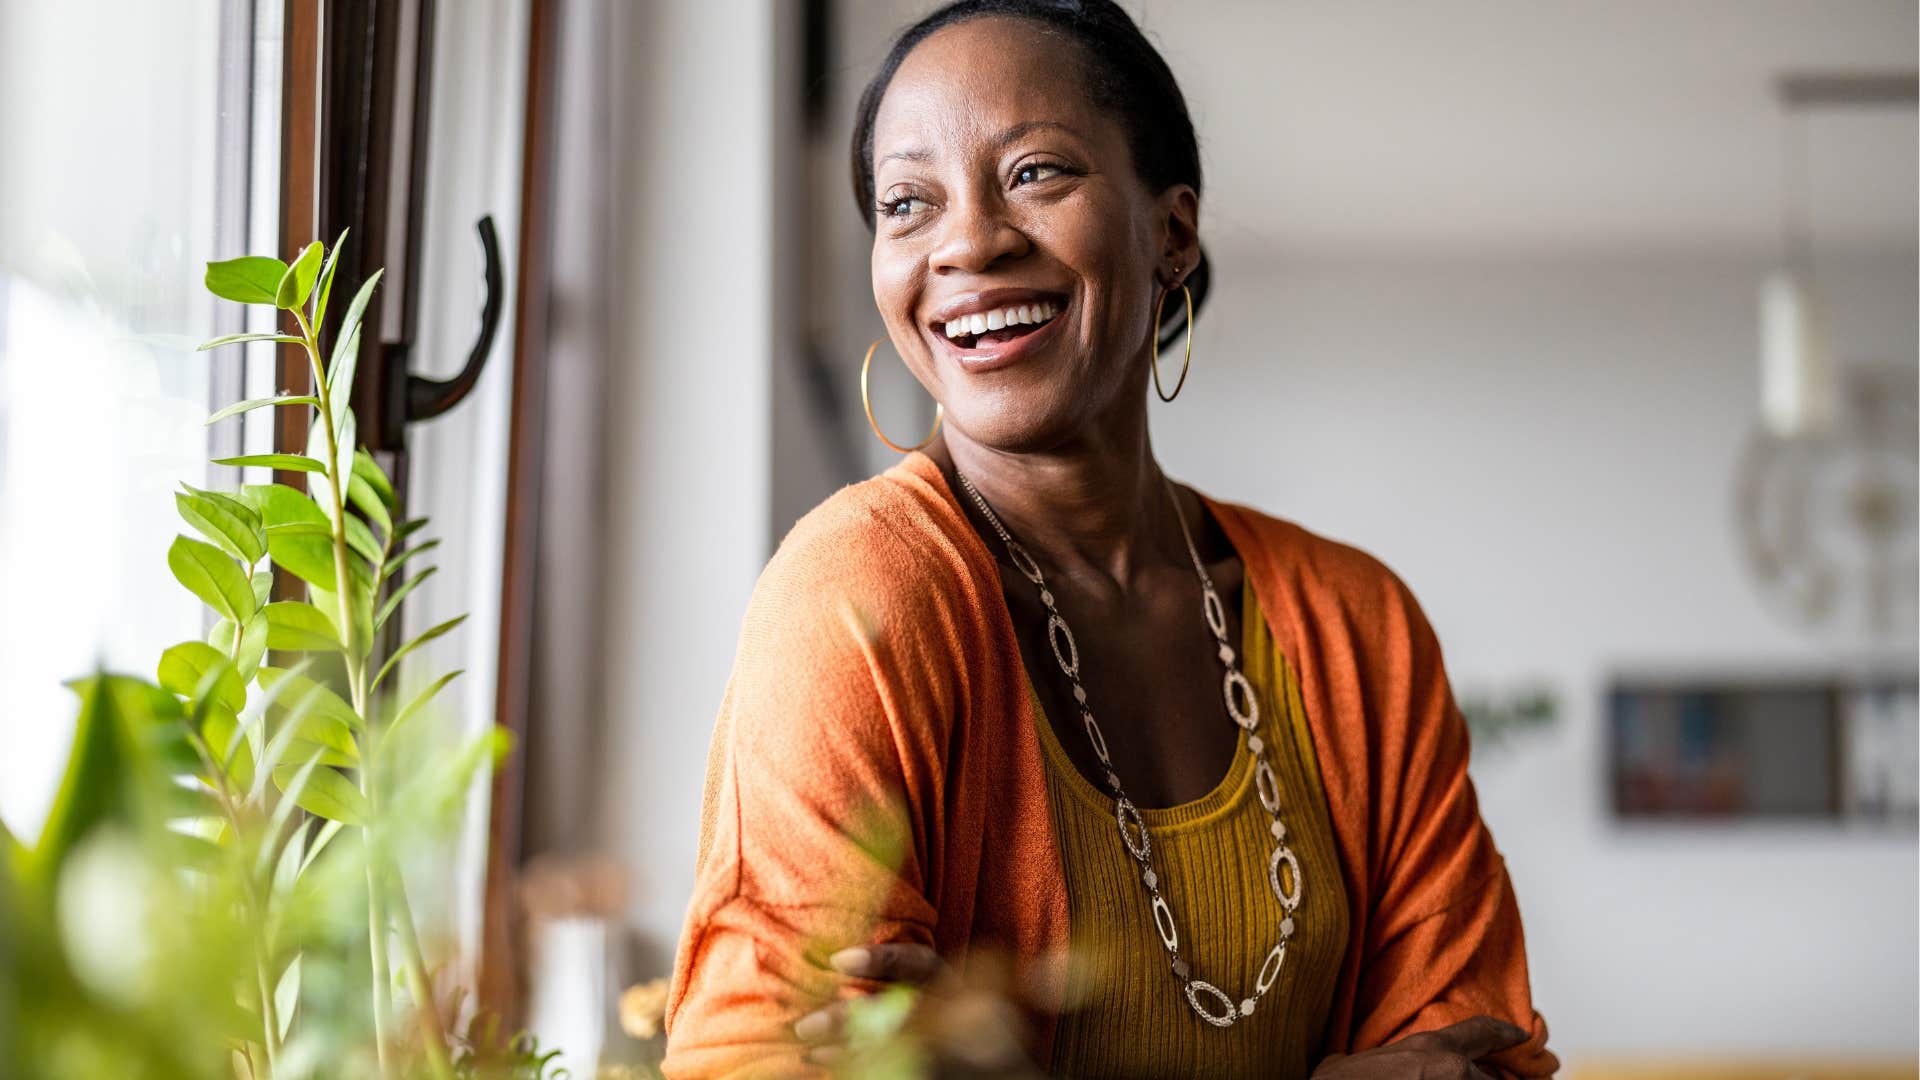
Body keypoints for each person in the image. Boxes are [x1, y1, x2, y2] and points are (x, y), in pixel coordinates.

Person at [662, 2, 1556, 1076]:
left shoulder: (1356, 626)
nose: (968, 241)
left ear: (1172, 233)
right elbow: (758, 1056)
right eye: (907, 203)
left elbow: (1476, 1062)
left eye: (1037, 172)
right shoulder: (857, 593)